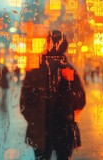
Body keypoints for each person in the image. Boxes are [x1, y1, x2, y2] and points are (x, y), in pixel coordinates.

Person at [20, 30, 86, 160]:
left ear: (47, 45)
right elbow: (80, 100)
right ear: (64, 46)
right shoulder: (69, 70)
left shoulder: (35, 71)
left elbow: (24, 102)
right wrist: (68, 112)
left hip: (40, 127)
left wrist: (34, 120)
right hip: (64, 127)